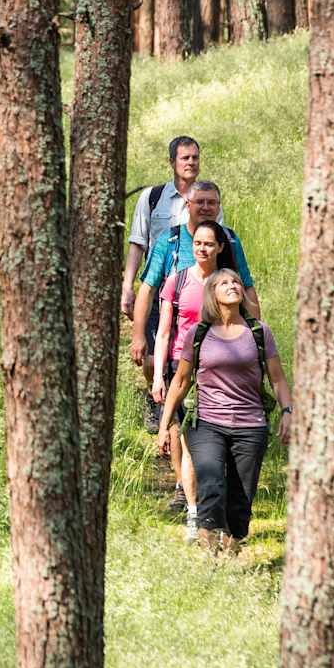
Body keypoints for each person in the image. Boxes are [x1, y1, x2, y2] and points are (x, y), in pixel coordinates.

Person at [156, 267, 293, 557]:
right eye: (224, 283)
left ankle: (231, 550)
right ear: (212, 294)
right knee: (211, 482)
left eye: (236, 282)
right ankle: (209, 553)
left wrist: (288, 412)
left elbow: (277, 378)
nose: (232, 286)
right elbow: (180, 381)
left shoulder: (258, 332)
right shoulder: (199, 333)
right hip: (207, 423)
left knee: (241, 495)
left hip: (250, 424)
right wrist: (164, 424)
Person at [130, 180, 258, 425]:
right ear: (187, 205)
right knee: (177, 423)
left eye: (212, 202)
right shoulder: (170, 241)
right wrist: (138, 335)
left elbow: (247, 287)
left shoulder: (229, 241)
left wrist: (256, 336)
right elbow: (147, 290)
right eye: (200, 202)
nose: (206, 207)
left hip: (224, 348)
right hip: (179, 346)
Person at [152, 217, 223, 539]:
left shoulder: (227, 283)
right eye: (198, 243)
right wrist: (157, 376)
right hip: (182, 367)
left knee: (206, 442)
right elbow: (164, 331)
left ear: (220, 247)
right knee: (183, 437)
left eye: (209, 244)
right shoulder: (178, 281)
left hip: (218, 369)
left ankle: (205, 508)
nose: (202, 249)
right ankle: (193, 507)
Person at [120, 135, 201, 321]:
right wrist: (127, 287)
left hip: (195, 292)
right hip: (156, 289)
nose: (191, 162)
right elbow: (138, 244)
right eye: (185, 158)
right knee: (153, 347)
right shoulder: (152, 197)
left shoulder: (207, 202)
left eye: (195, 157)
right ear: (172, 162)